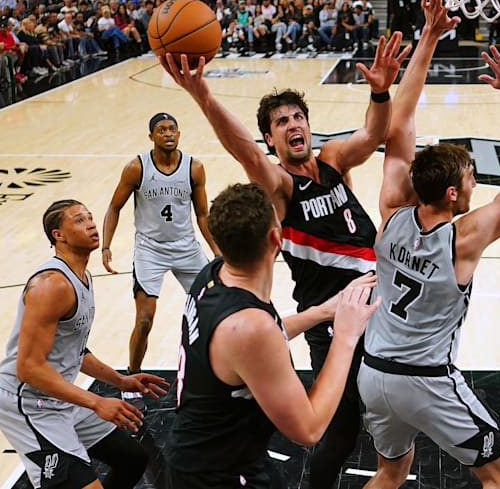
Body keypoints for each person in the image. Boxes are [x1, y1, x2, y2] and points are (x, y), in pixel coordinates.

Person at [159, 32, 409, 489]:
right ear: (270, 138)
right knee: (339, 431)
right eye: (280, 121)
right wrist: (203, 96)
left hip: (369, 305)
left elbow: (375, 132)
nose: (293, 124)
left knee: (379, 413)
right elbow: (244, 153)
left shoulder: (333, 159)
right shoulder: (280, 185)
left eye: (298, 117)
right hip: (331, 316)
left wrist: (380, 90)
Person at [357, 38, 500, 489]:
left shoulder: (390, 213)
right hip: (426, 382)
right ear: (451, 193)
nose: (474, 184)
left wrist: (427, 38)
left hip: (374, 374)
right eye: (469, 178)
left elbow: (400, 126)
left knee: (390, 473)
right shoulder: (462, 239)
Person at [165, 183, 380, 488]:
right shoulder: (250, 327)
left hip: (211, 454)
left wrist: (321, 311)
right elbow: (309, 429)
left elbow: (251, 347)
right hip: (217, 474)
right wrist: (346, 335)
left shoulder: (213, 275)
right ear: (276, 238)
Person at [0, 199, 169, 489]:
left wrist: (121, 381)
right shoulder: (51, 285)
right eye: (79, 220)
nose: (91, 224)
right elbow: (28, 368)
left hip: (59, 397)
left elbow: (76, 351)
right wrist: (96, 402)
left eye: (90, 217)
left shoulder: (82, 277)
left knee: (132, 458)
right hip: (28, 404)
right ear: (58, 235)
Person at [101, 113, 220, 379]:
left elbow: (202, 215)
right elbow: (114, 207)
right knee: (144, 320)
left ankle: (214, 372)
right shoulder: (137, 168)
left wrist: (217, 251)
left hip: (186, 247)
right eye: (162, 130)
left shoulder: (194, 168)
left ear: (179, 134)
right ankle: (133, 375)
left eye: (172, 129)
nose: (168, 134)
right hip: (150, 249)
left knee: (213, 309)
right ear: (151, 136)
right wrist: (106, 246)